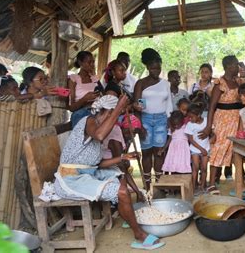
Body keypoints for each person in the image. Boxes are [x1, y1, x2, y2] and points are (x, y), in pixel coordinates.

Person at [53, 95, 164, 250]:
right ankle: (139, 234)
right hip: (71, 179)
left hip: (87, 174)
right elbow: (100, 135)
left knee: (120, 173)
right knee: (122, 192)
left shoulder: (97, 130)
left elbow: (97, 164)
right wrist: (119, 107)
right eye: (115, 115)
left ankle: (127, 215)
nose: (116, 120)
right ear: (107, 111)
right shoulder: (88, 121)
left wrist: (122, 157)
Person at [199, 55, 243, 193]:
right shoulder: (220, 84)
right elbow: (212, 107)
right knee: (218, 149)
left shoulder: (238, 82)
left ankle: (239, 181)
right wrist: (208, 127)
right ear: (229, 66)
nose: (238, 67)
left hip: (236, 120)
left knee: (234, 150)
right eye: (236, 65)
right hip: (223, 121)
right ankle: (211, 183)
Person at [133, 48, 173, 189]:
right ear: (147, 67)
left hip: (162, 120)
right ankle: (147, 184)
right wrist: (139, 125)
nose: (156, 71)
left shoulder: (165, 84)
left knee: (159, 152)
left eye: (158, 68)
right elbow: (138, 106)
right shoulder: (141, 83)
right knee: (146, 152)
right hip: (145, 120)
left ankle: (159, 185)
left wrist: (169, 120)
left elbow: (168, 103)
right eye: (153, 68)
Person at [68, 51, 101, 128]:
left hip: (97, 112)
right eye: (89, 62)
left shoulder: (94, 78)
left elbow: (105, 95)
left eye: (93, 62)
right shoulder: (74, 79)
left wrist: (94, 76)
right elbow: (71, 108)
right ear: (80, 63)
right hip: (81, 113)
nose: (92, 65)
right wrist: (84, 99)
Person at [185, 102, 210, 193]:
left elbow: (213, 134)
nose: (190, 119)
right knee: (195, 168)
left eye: (192, 117)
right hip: (195, 149)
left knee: (204, 168)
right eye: (189, 117)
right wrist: (201, 149)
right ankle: (194, 186)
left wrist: (208, 144)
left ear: (199, 115)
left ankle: (202, 186)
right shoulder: (189, 125)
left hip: (206, 148)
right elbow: (191, 140)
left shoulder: (207, 121)